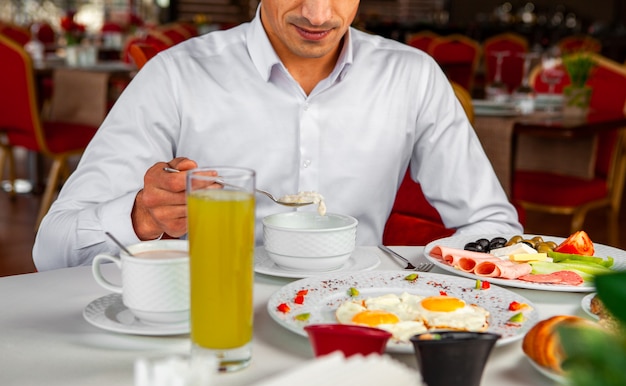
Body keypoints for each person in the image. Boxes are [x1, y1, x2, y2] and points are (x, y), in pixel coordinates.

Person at [33, 0, 523, 271]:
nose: (316, 14)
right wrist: (139, 218)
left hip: (362, 324)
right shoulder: (176, 75)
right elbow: (52, 249)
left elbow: (493, 228)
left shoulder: (412, 76)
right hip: (210, 321)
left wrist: (431, 284)